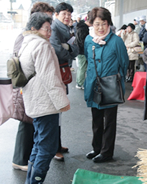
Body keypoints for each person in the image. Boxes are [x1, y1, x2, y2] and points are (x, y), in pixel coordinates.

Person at [19, 12, 70, 183]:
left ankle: (30, 181)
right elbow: (49, 78)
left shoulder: (27, 43)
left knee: (39, 144)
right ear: (34, 29)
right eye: (46, 29)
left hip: (35, 102)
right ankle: (35, 181)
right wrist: (63, 103)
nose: (49, 33)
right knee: (47, 148)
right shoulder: (42, 46)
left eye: (50, 29)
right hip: (46, 104)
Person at [11, 2, 55, 172]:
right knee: (26, 123)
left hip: (31, 86)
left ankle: (25, 159)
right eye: (46, 17)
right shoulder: (27, 37)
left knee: (32, 124)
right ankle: (20, 159)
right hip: (28, 87)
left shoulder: (35, 37)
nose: (49, 21)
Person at [84, 7, 129, 163]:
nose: (100, 28)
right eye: (97, 24)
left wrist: (116, 80)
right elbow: (88, 59)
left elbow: (124, 64)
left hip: (110, 86)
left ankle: (106, 152)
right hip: (93, 85)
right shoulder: (88, 40)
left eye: (104, 23)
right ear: (92, 24)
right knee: (96, 120)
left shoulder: (116, 41)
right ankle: (96, 148)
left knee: (109, 121)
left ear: (109, 23)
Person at [50, 2, 79, 161]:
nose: (67, 17)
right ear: (56, 15)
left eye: (69, 14)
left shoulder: (68, 28)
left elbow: (76, 49)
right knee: (55, 109)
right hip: (57, 73)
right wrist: (69, 50)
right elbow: (56, 49)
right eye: (64, 14)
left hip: (63, 72)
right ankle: (54, 148)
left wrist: (68, 48)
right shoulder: (55, 28)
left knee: (59, 109)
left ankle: (57, 144)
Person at [75, 12, 91, 89]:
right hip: (82, 51)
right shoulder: (83, 29)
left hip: (80, 50)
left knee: (82, 67)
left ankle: (80, 83)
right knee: (82, 68)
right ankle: (80, 83)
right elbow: (83, 41)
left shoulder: (80, 27)